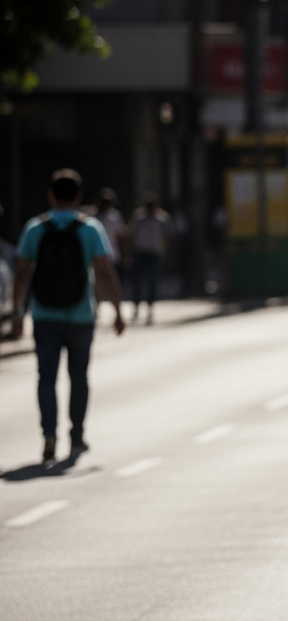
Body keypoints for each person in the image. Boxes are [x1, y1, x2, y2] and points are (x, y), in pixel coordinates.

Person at [11, 169, 126, 464]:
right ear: (78, 197)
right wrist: (117, 310)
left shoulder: (35, 229)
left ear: (50, 196)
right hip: (81, 315)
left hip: (44, 315)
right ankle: (76, 435)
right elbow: (104, 271)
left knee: (46, 378)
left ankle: (49, 433)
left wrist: (18, 312)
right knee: (79, 377)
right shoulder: (89, 230)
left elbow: (22, 273)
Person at [128, 193, 171, 324]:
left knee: (152, 282)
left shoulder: (162, 218)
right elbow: (131, 234)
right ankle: (136, 306)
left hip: (154, 254)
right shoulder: (138, 217)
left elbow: (167, 236)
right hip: (140, 253)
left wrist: (166, 253)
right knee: (137, 282)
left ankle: (150, 308)